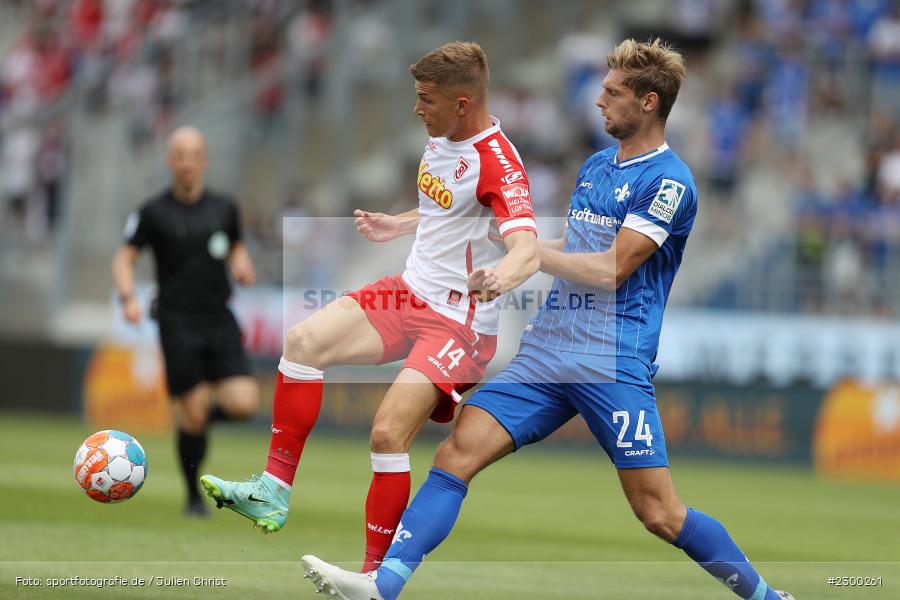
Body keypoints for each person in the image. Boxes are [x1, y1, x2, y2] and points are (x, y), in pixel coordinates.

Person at [299, 39, 795, 600]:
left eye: (612, 92)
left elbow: (612, 267)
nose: (598, 100)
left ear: (649, 102)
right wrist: (511, 245)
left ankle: (766, 597)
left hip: (611, 359)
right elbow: (570, 245)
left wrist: (528, 253)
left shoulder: (671, 182)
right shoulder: (596, 166)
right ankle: (382, 586)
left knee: (659, 512)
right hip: (549, 350)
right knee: (456, 453)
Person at [200, 41, 539, 572]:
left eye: (426, 99)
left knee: (386, 433)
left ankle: (373, 578)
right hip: (408, 292)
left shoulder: (499, 163)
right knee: (303, 343)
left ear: (463, 104)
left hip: (458, 323)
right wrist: (399, 223)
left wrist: (500, 277)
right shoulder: (440, 135)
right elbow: (446, 210)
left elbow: (527, 248)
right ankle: (272, 488)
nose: (416, 108)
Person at [112, 126, 260, 517]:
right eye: (179, 155)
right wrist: (129, 298)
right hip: (177, 321)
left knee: (245, 404)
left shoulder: (224, 207)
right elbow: (124, 258)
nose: (186, 162)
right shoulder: (152, 212)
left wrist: (242, 265)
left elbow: (237, 248)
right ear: (169, 161)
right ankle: (193, 498)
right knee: (194, 411)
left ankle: (190, 419)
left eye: (194, 155)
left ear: (204, 160)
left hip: (218, 317)